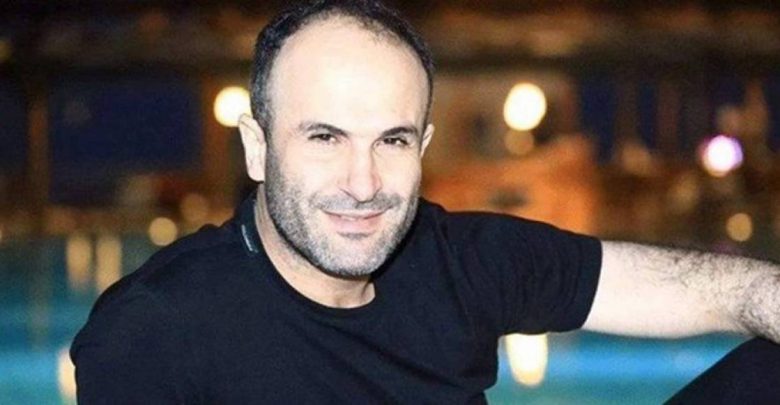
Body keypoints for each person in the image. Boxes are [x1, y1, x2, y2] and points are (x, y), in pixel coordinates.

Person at [71, 0, 780, 403]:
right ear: (256, 148)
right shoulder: (155, 330)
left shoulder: (458, 262)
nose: (363, 182)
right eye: (325, 137)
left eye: (393, 140)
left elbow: (706, 287)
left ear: (425, 145)